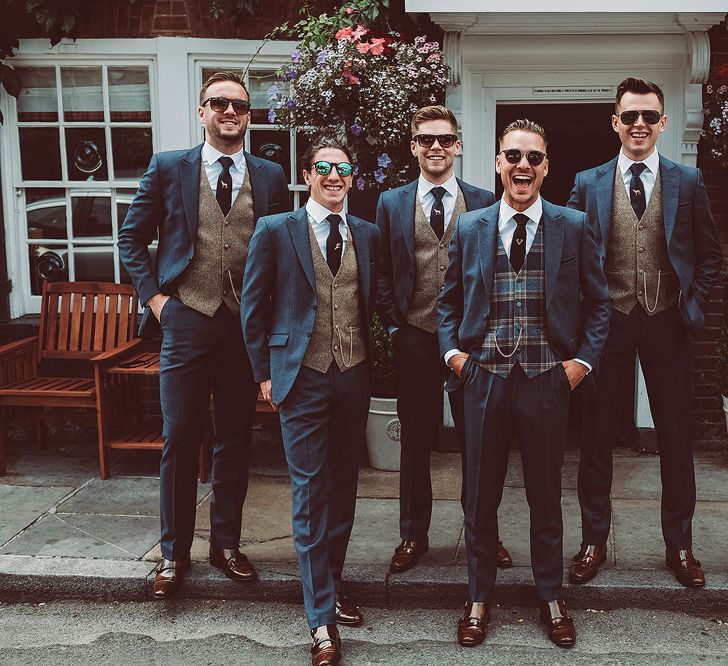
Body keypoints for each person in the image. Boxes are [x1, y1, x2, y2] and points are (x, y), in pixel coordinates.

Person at [438, 119, 610, 649]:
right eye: (512, 156)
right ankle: (477, 596)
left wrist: (580, 363)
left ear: (546, 167)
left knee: (544, 494)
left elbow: (599, 303)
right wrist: (455, 356)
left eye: (533, 158)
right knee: (480, 495)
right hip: (483, 378)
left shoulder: (572, 225)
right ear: (497, 163)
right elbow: (448, 302)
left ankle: (551, 595)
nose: (522, 166)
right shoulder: (470, 228)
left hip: (546, 381)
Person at [118, 71, 291, 598]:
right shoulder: (171, 167)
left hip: (244, 326)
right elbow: (131, 237)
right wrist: (156, 300)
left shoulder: (269, 174)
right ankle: (173, 554)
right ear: (203, 112)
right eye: (219, 103)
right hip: (186, 318)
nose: (230, 112)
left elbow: (282, 251)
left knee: (236, 440)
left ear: (249, 115)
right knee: (181, 436)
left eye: (239, 105)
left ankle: (226, 545)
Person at [567, 77, 722, 589]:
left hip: (665, 321)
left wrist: (690, 308)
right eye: (630, 115)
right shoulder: (589, 183)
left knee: (676, 437)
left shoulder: (688, 181)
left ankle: (679, 546)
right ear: (615, 121)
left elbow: (710, 257)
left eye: (649, 116)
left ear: (663, 122)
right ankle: (593, 541)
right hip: (607, 322)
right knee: (596, 437)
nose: (639, 124)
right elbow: (570, 257)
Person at [241, 136, 379, 666]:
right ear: (308, 174)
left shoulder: (365, 233)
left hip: (353, 375)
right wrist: (264, 373)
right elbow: (254, 307)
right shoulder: (276, 230)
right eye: (324, 168)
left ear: (352, 177)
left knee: (343, 489)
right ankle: (320, 620)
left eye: (343, 169)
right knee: (308, 492)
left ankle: (333, 584)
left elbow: (370, 299)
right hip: (299, 376)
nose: (334, 176)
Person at [376, 105, 512, 574]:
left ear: (457, 145)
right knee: (415, 439)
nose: (436, 146)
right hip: (415, 335)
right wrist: (396, 325)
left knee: (480, 439)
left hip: (471, 340)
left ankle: (484, 534)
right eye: (426, 139)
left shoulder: (482, 199)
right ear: (413, 146)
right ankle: (413, 534)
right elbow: (383, 270)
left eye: (445, 139)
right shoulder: (392, 202)